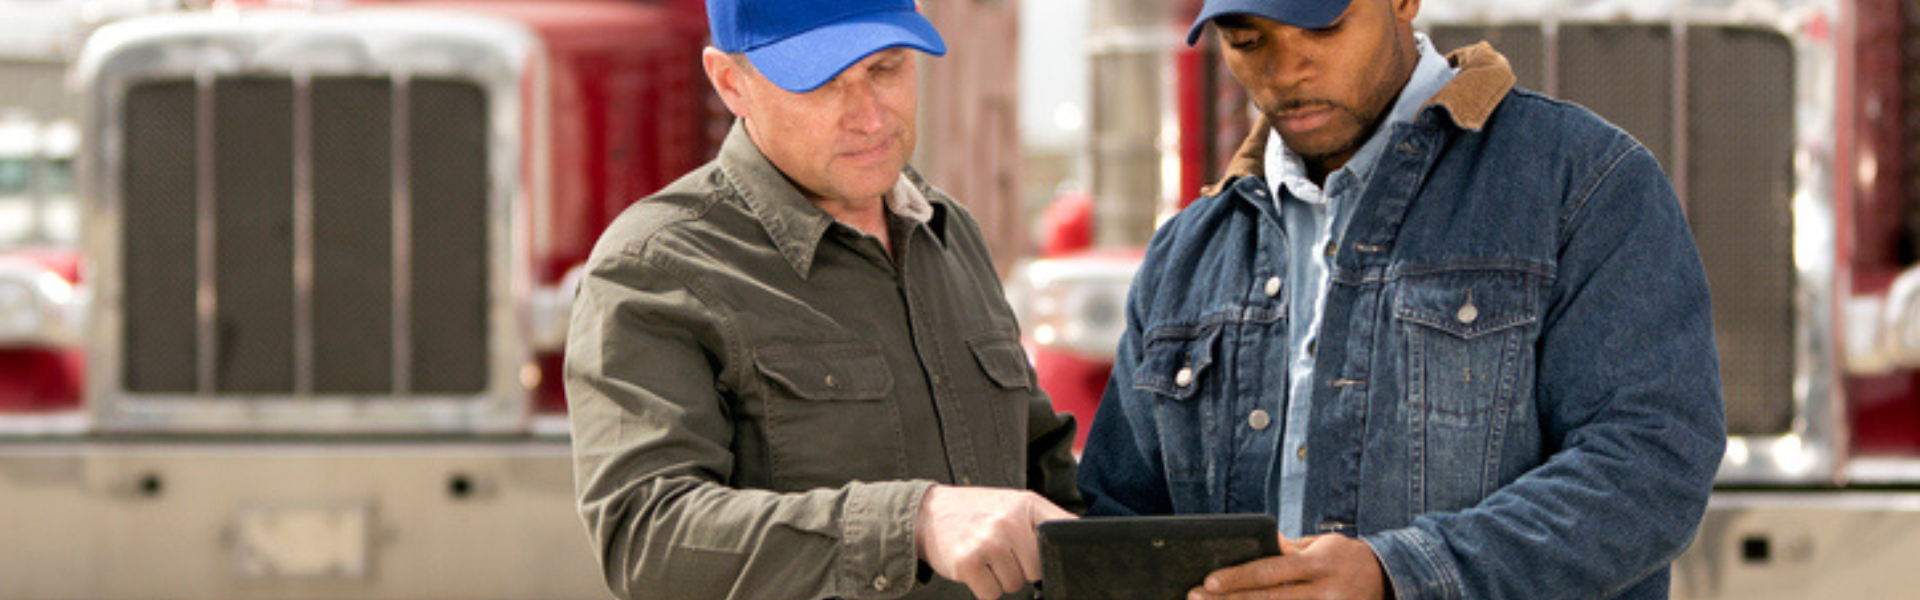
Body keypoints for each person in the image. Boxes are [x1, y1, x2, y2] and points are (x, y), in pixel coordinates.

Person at [1075, 0, 1727, 599]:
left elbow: (1650, 467)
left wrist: (1398, 575)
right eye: (1248, 41)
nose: (1285, 70)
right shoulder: (1184, 255)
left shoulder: (1582, 183)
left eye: (1321, 28)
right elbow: (1118, 521)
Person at [563, 1, 1081, 599]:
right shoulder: (659, 266)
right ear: (731, 82)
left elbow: (1045, 481)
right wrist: (913, 522)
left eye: (886, 69)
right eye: (822, 83)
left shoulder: (948, 232)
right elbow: (646, 539)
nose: (868, 116)